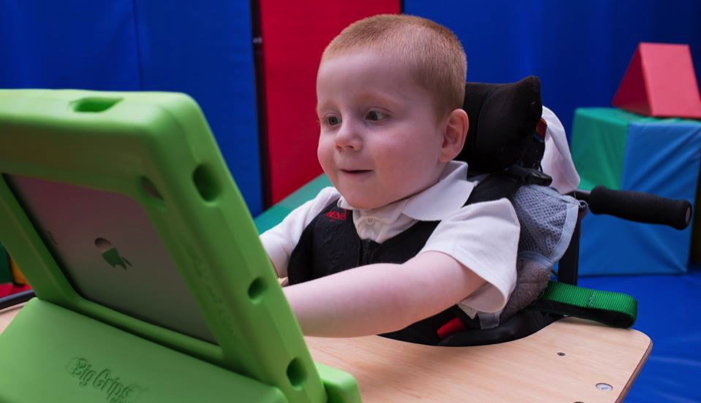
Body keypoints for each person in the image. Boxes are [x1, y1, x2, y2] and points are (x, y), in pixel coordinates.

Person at [261, 14, 520, 344]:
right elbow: (247, 262)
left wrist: (258, 310)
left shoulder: (484, 220)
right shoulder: (322, 210)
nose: (343, 137)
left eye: (374, 115)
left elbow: (406, 293)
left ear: (447, 137)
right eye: (331, 119)